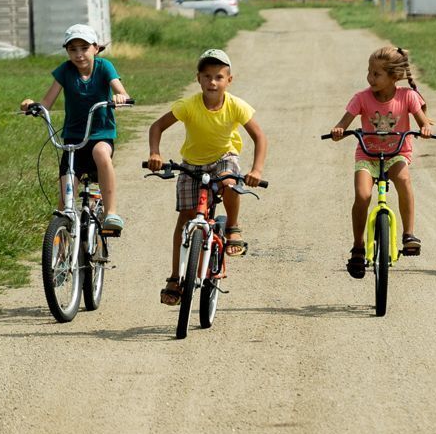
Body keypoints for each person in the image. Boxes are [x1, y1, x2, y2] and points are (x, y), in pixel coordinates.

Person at [147, 48, 267, 306]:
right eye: (207, 76)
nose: (213, 82)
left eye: (219, 77)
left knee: (230, 184)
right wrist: (155, 153)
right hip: (192, 164)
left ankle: (233, 227)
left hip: (224, 157)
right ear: (198, 79)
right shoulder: (188, 106)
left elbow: (259, 137)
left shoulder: (235, 106)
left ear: (229, 80)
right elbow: (156, 126)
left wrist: (256, 170)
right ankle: (175, 277)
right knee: (185, 218)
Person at [329, 46, 434, 278]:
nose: (370, 78)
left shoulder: (407, 96)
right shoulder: (361, 98)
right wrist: (339, 130)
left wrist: (424, 127)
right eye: (369, 72)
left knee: (404, 178)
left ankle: (409, 235)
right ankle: (358, 246)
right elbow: (343, 123)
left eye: (377, 74)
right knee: (363, 196)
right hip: (367, 155)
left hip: (397, 154)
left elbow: (423, 121)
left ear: (394, 76)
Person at [20, 23, 130, 231]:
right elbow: (47, 103)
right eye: (73, 49)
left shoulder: (104, 67)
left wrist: (121, 96)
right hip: (73, 139)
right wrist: (31, 105)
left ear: (95, 48)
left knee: (100, 153)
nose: (79, 54)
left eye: (84, 48)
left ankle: (111, 213)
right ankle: (61, 242)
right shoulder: (65, 71)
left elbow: (119, 89)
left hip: (100, 135)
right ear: (67, 51)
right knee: (64, 202)